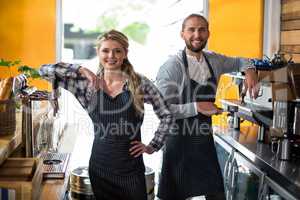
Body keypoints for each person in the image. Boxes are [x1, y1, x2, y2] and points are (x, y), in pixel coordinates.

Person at [37, 30, 173, 200]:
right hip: (100, 167)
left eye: (117, 51)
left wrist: (152, 146)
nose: (111, 55)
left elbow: (167, 115)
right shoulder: (86, 84)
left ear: (125, 54)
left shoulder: (139, 83)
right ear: (98, 52)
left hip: (131, 168)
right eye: (106, 50)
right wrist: (80, 69)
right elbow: (43, 70)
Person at [156, 14, 259, 200]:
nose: (197, 34)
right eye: (191, 30)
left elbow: (241, 60)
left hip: (203, 142)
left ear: (208, 33)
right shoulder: (172, 66)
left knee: (217, 195)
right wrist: (197, 107)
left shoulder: (214, 60)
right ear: (182, 34)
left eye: (202, 29)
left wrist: (250, 70)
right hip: (178, 144)